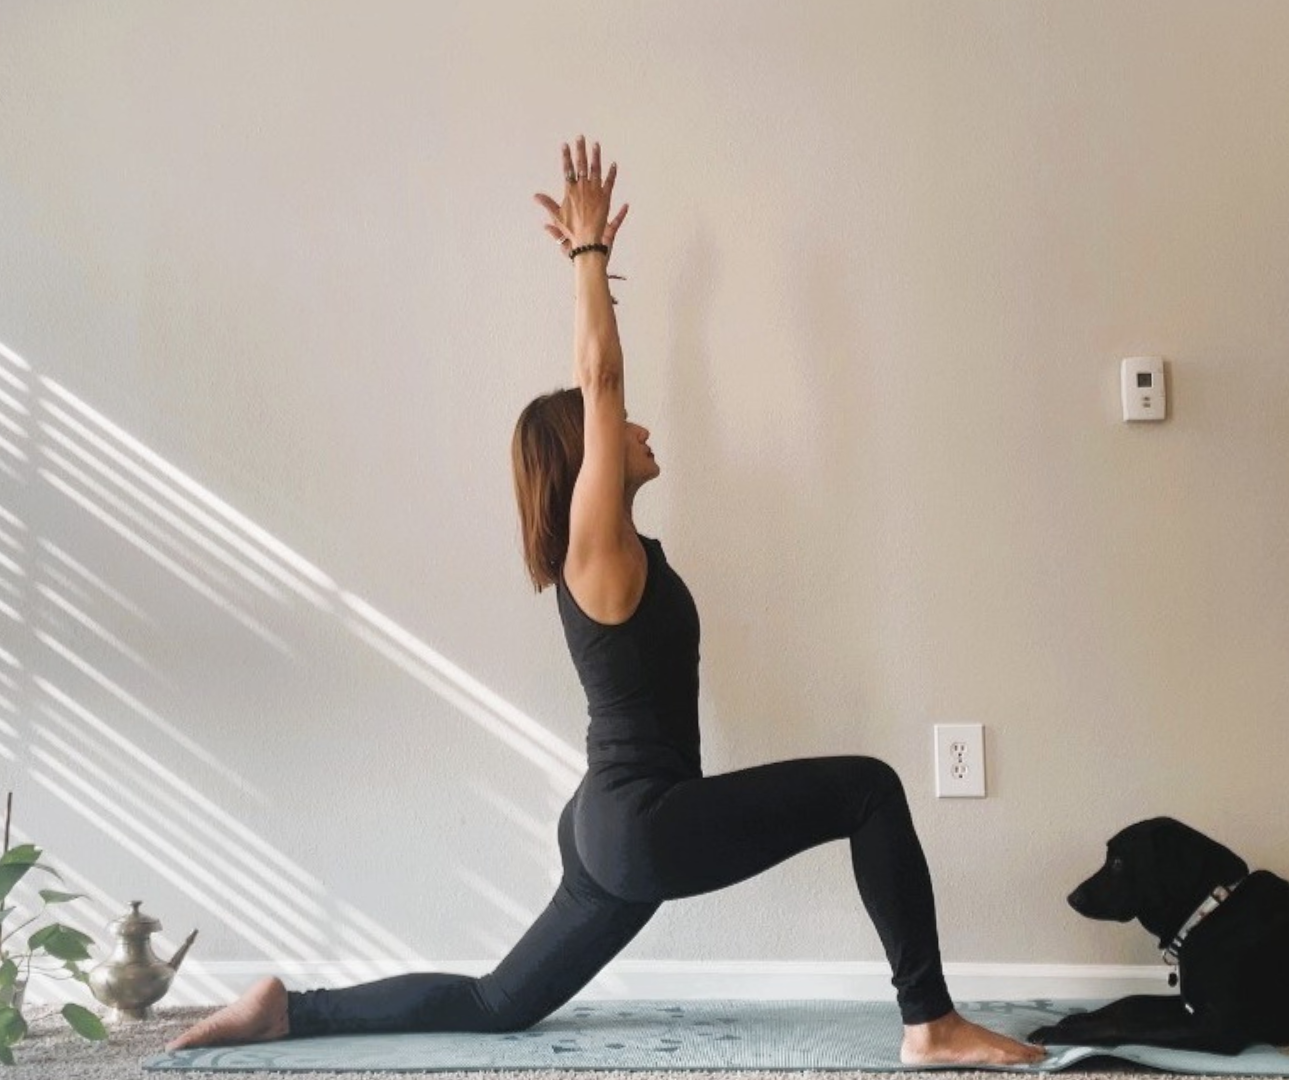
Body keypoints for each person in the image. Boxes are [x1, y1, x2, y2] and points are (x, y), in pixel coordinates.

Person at [167, 138, 1046, 1068]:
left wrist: (609, 282)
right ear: (586, 453)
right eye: (620, 427)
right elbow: (602, 382)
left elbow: (607, 392)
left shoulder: (605, 556)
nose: (640, 426)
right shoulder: (600, 552)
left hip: (608, 827)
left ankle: (289, 1011)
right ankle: (931, 1024)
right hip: (640, 825)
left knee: (498, 1003)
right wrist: (589, 257)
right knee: (870, 788)